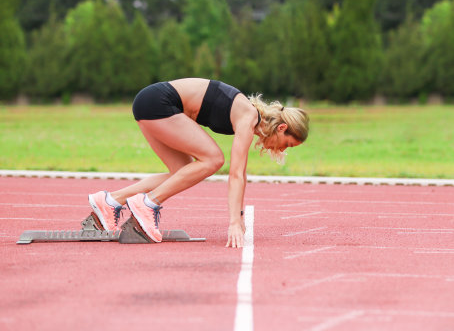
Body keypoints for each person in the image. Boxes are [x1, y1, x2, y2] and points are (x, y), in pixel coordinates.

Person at [88, 78, 309, 248]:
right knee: (214, 159)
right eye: (287, 144)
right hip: (159, 103)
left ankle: (109, 202)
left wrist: (238, 216)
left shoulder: (248, 117)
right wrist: (233, 222)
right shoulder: (249, 116)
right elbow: (236, 174)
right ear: (281, 128)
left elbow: (239, 175)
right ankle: (148, 204)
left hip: (150, 102)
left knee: (184, 172)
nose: (282, 150)